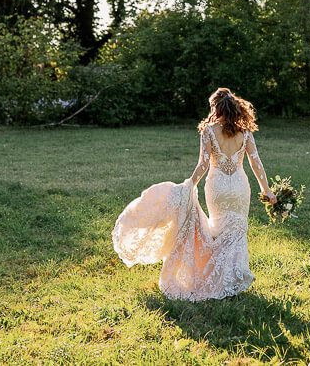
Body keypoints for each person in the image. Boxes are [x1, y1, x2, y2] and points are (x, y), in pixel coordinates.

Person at [113, 87, 277, 301]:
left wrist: (190, 184)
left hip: (217, 186)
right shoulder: (244, 131)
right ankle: (233, 278)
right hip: (239, 186)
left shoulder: (209, 131)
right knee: (236, 230)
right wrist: (267, 190)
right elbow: (256, 162)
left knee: (218, 230)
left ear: (215, 108)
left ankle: (221, 279)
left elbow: (204, 164)